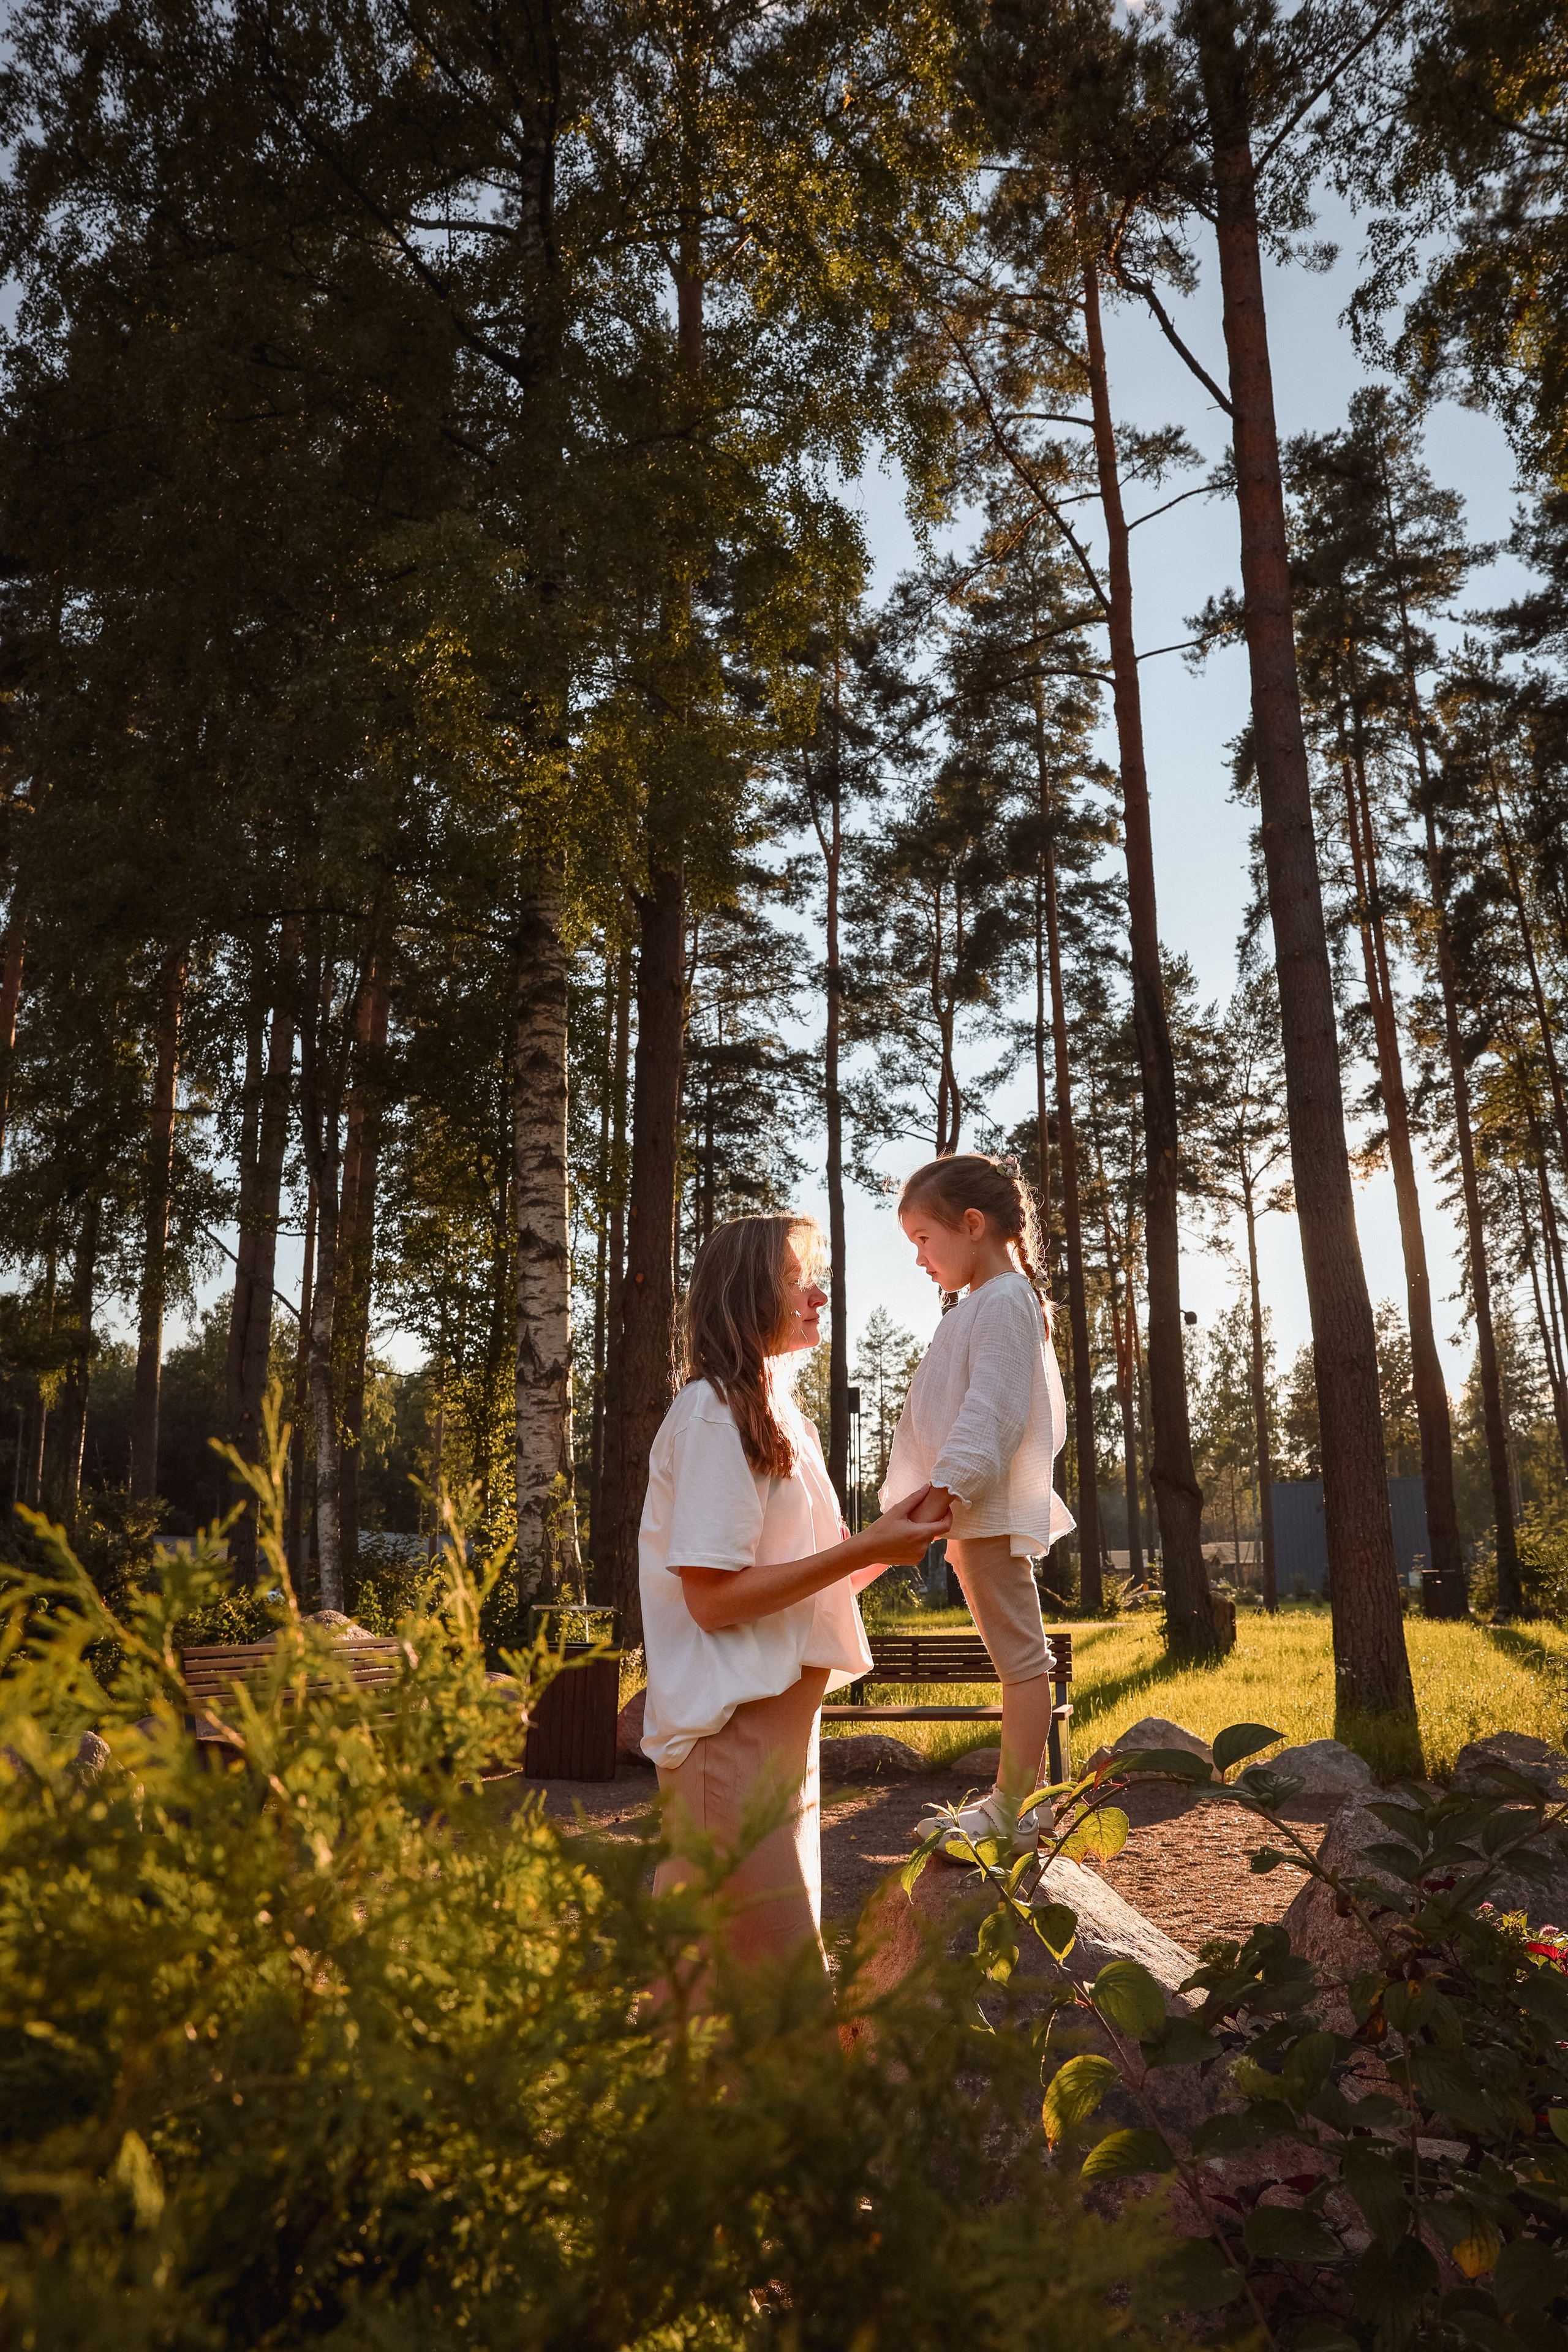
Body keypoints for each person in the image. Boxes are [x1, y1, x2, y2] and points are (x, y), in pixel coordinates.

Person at [640, 1212, 949, 1970]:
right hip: (730, 1747)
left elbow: (815, 1583)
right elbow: (713, 1599)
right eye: (794, 1281)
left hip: (784, 1744)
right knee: (776, 2014)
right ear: (747, 1296)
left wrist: (901, 1535)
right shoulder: (714, 1415)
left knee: (713, 2011)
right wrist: (869, 1545)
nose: (816, 1297)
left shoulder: (783, 1419)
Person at [883, 1154, 1074, 1855]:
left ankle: (1014, 1810)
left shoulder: (1004, 1301)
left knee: (1021, 1659)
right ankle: (1017, 1808)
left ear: (971, 1225)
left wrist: (946, 1491)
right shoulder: (982, 1306)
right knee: (1016, 1655)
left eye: (924, 1241)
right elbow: (941, 1410)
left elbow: (990, 1410)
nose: (919, 1260)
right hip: (965, 1510)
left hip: (979, 1508)